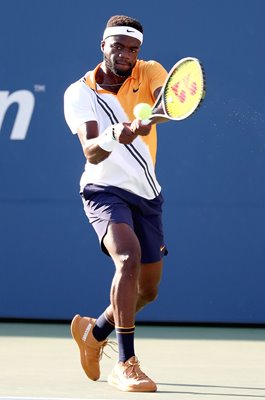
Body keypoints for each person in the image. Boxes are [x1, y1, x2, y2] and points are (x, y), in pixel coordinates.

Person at [64, 15, 168, 393]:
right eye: (118, 46)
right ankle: (126, 363)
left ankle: (95, 332)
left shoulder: (150, 70)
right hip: (103, 189)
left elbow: (164, 100)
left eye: (133, 48)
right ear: (103, 45)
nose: (125, 54)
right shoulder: (80, 93)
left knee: (149, 290)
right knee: (127, 257)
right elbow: (92, 153)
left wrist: (147, 119)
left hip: (147, 193)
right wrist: (114, 135)